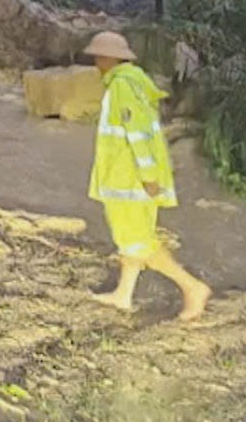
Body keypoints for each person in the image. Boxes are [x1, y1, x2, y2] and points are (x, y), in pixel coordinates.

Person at [86, 30, 211, 321]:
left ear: (107, 59)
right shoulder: (134, 83)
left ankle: (192, 287)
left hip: (128, 179)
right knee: (133, 239)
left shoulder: (122, 88)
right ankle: (123, 294)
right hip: (131, 177)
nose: (95, 64)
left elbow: (138, 135)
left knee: (139, 242)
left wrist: (148, 175)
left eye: (97, 58)